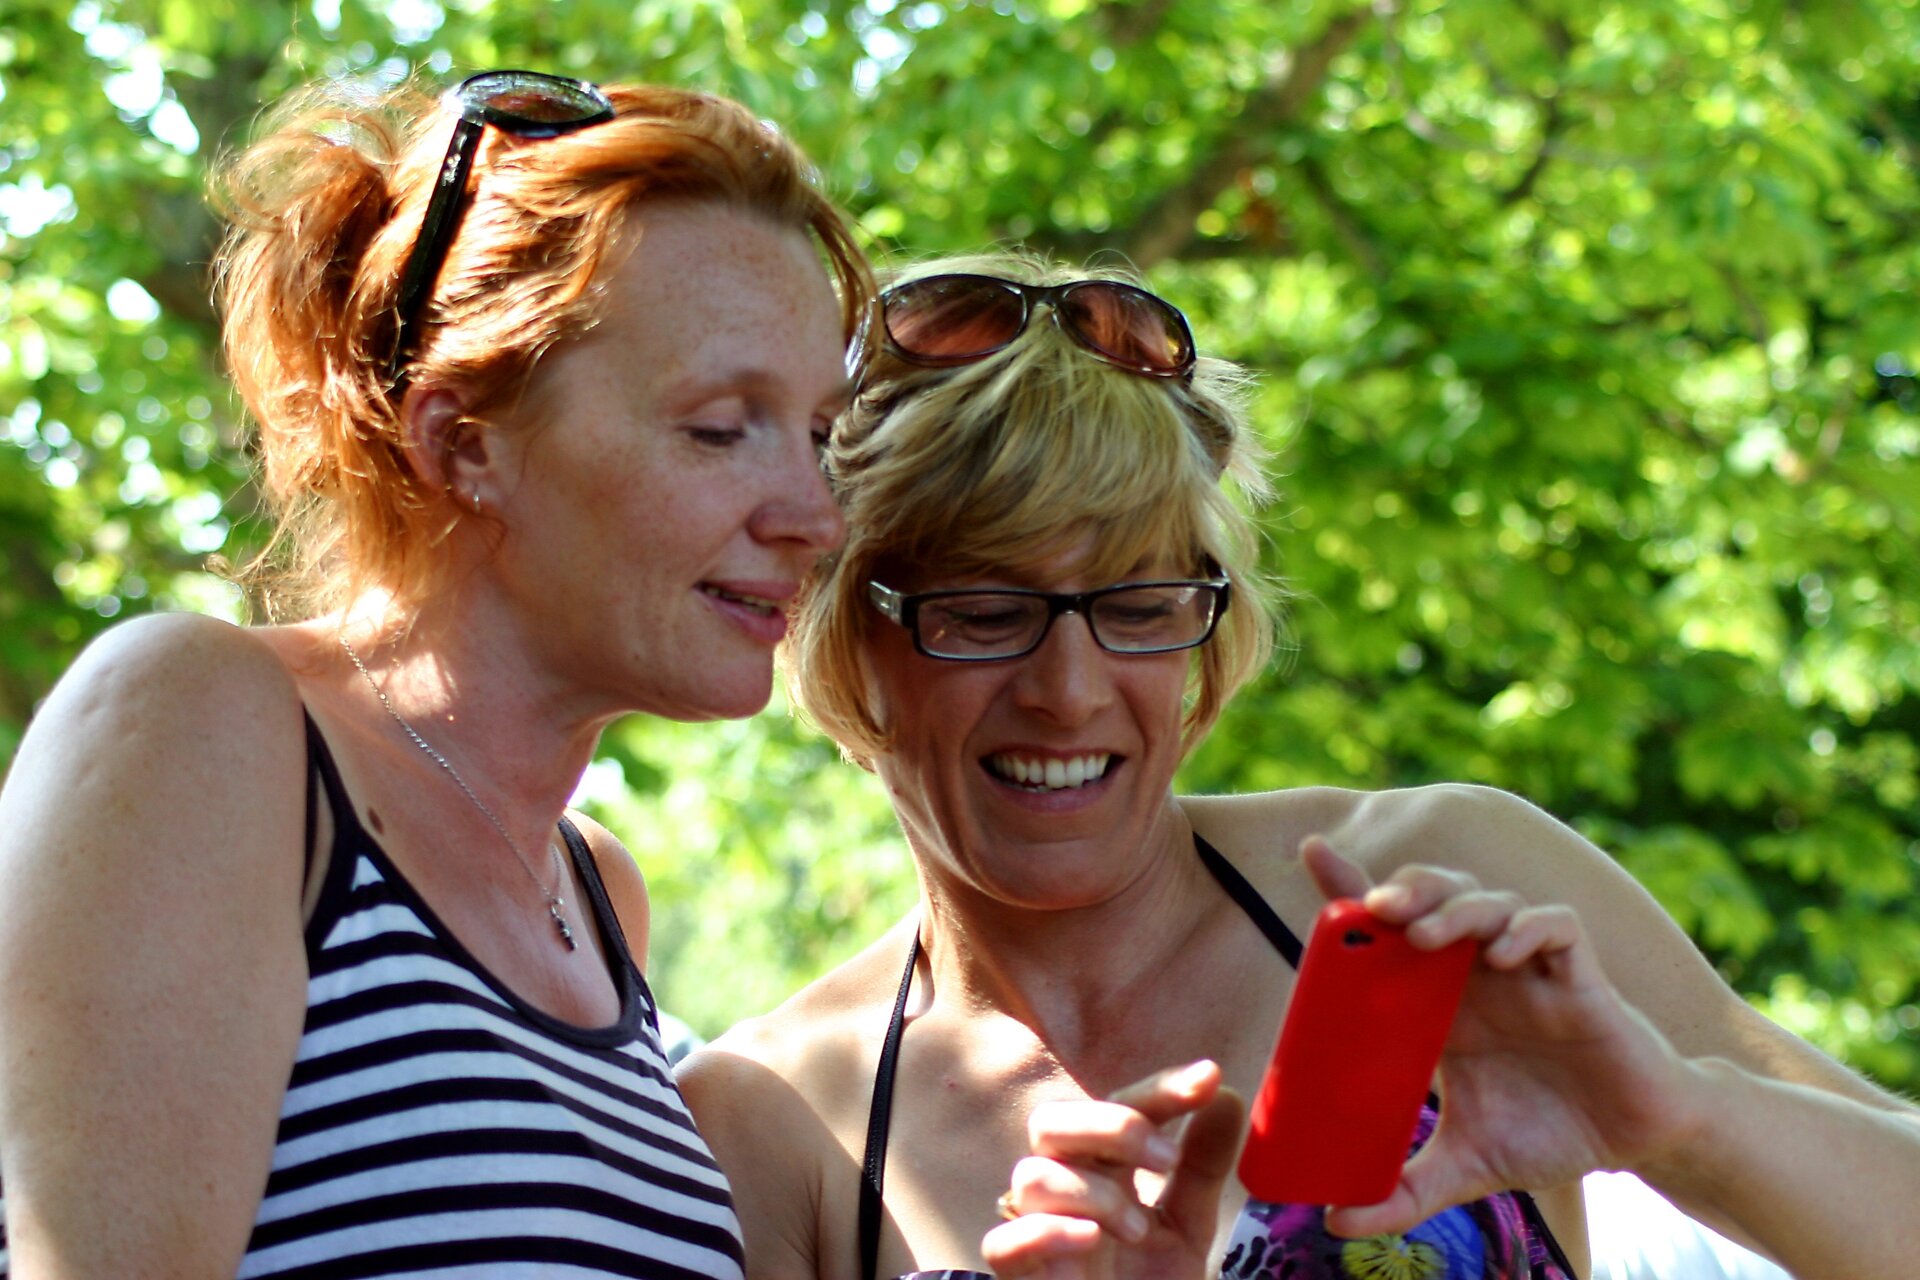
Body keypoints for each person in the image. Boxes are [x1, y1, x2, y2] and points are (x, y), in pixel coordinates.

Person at [675, 255, 1920, 1280]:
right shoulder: (779, 1119)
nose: (1067, 687)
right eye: (984, 610)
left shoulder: (1436, 892)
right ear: (847, 637)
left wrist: (1684, 1123)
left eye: (1141, 602)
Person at [0, 68, 870, 1276]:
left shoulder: (595, 892)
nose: (815, 517)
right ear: (466, 442)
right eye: (722, 427)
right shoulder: (202, 723)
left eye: (821, 436)